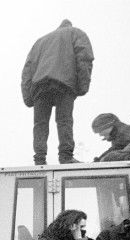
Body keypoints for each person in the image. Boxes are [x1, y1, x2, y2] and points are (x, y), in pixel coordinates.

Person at [21, 20, 94, 165]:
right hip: (64, 83)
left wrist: (28, 97)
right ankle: (65, 156)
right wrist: (82, 86)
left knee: (40, 123)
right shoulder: (76, 33)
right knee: (64, 120)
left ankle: (39, 159)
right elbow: (84, 59)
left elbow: (27, 70)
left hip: (39, 86)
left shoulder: (40, 41)